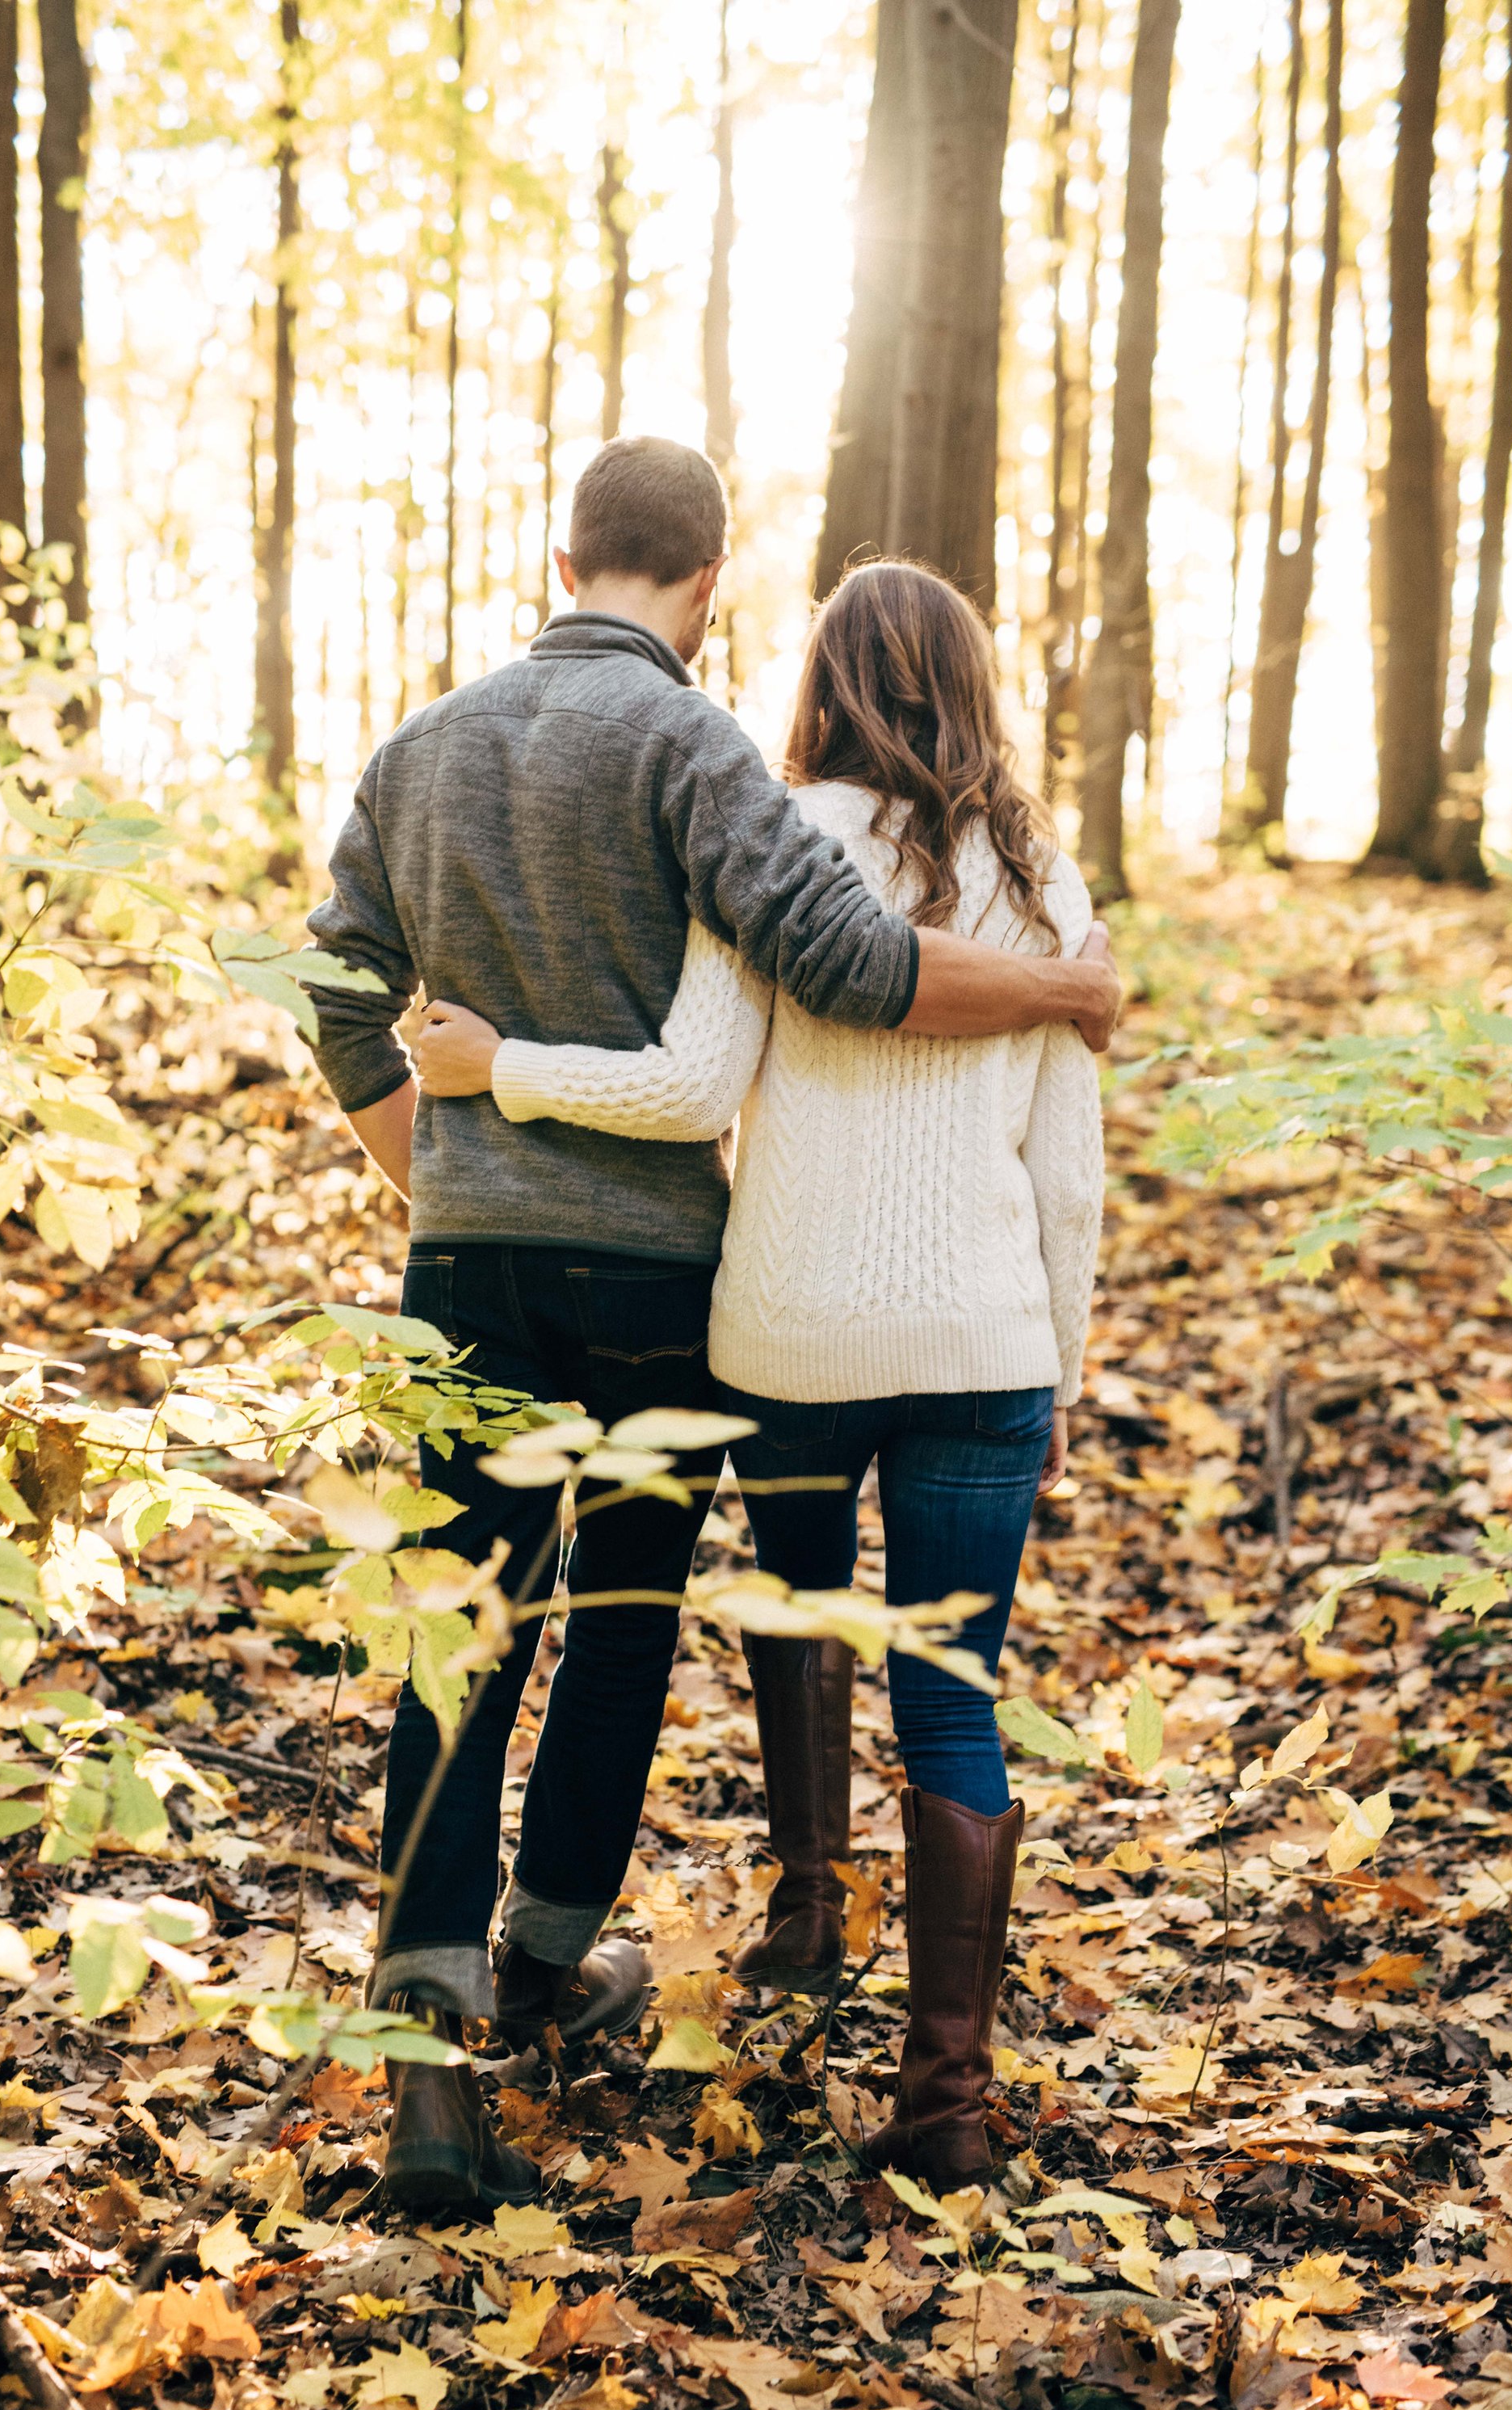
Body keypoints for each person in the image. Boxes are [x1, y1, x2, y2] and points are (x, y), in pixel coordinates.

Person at [306, 439, 1118, 2213]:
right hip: (661, 1279)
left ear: (561, 548)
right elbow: (845, 967)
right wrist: (1062, 984)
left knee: (460, 1629)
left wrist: (430, 1170)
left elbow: (338, 987)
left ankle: (430, 2063)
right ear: (710, 583)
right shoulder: (693, 746)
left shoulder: (416, 746)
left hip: (472, 1268)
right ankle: (544, 1955)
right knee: (614, 1621)